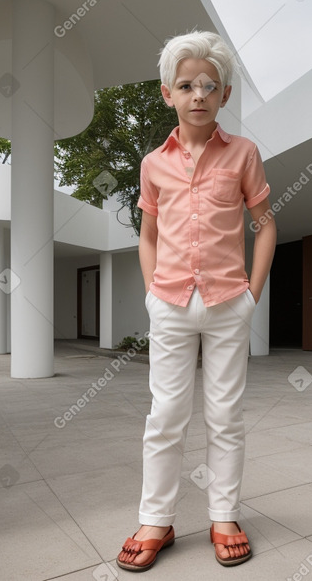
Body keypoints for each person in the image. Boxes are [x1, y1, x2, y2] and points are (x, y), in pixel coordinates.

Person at [116, 31, 276, 572]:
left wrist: (253, 293)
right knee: (166, 414)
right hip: (170, 303)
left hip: (231, 301)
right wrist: (151, 292)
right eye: (187, 85)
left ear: (225, 95)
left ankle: (224, 514)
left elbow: (265, 224)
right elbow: (148, 234)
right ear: (168, 93)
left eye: (210, 85)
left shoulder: (244, 154)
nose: (198, 94)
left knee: (226, 414)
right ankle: (155, 520)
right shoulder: (152, 164)